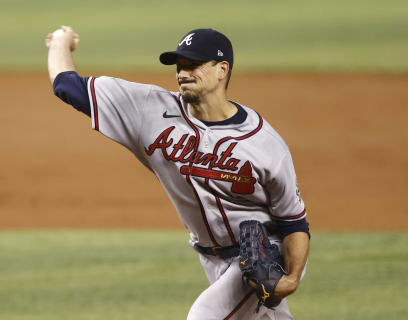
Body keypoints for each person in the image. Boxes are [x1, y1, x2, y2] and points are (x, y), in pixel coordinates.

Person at [45, 26, 310, 320]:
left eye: (193, 65)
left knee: (204, 316)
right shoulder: (149, 111)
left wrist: (291, 279)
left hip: (264, 256)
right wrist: (59, 42)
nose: (182, 73)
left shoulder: (265, 143)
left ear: (222, 70)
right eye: (179, 66)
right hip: (210, 257)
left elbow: (293, 222)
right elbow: (66, 86)